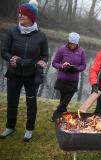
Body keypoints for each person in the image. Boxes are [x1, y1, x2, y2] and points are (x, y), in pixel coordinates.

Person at [0, 0, 49, 141]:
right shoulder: (12, 32)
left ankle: (29, 129)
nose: (20, 16)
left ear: (31, 17)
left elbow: (45, 55)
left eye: (24, 14)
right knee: (12, 101)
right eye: (19, 13)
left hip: (31, 75)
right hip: (14, 74)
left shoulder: (41, 36)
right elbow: (3, 51)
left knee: (31, 103)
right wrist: (11, 58)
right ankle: (10, 127)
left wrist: (43, 61)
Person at [52, 32, 87, 121]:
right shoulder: (62, 49)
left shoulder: (81, 51)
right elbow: (54, 63)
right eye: (71, 44)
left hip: (73, 80)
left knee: (66, 99)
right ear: (68, 42)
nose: (72, 46)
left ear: (77, 43)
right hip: (62, 79)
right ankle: (62, 116)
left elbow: (83, 66)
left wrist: (76, 69)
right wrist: (62, 66)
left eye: (74, 44)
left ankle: (55, 115)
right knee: (63, 99)